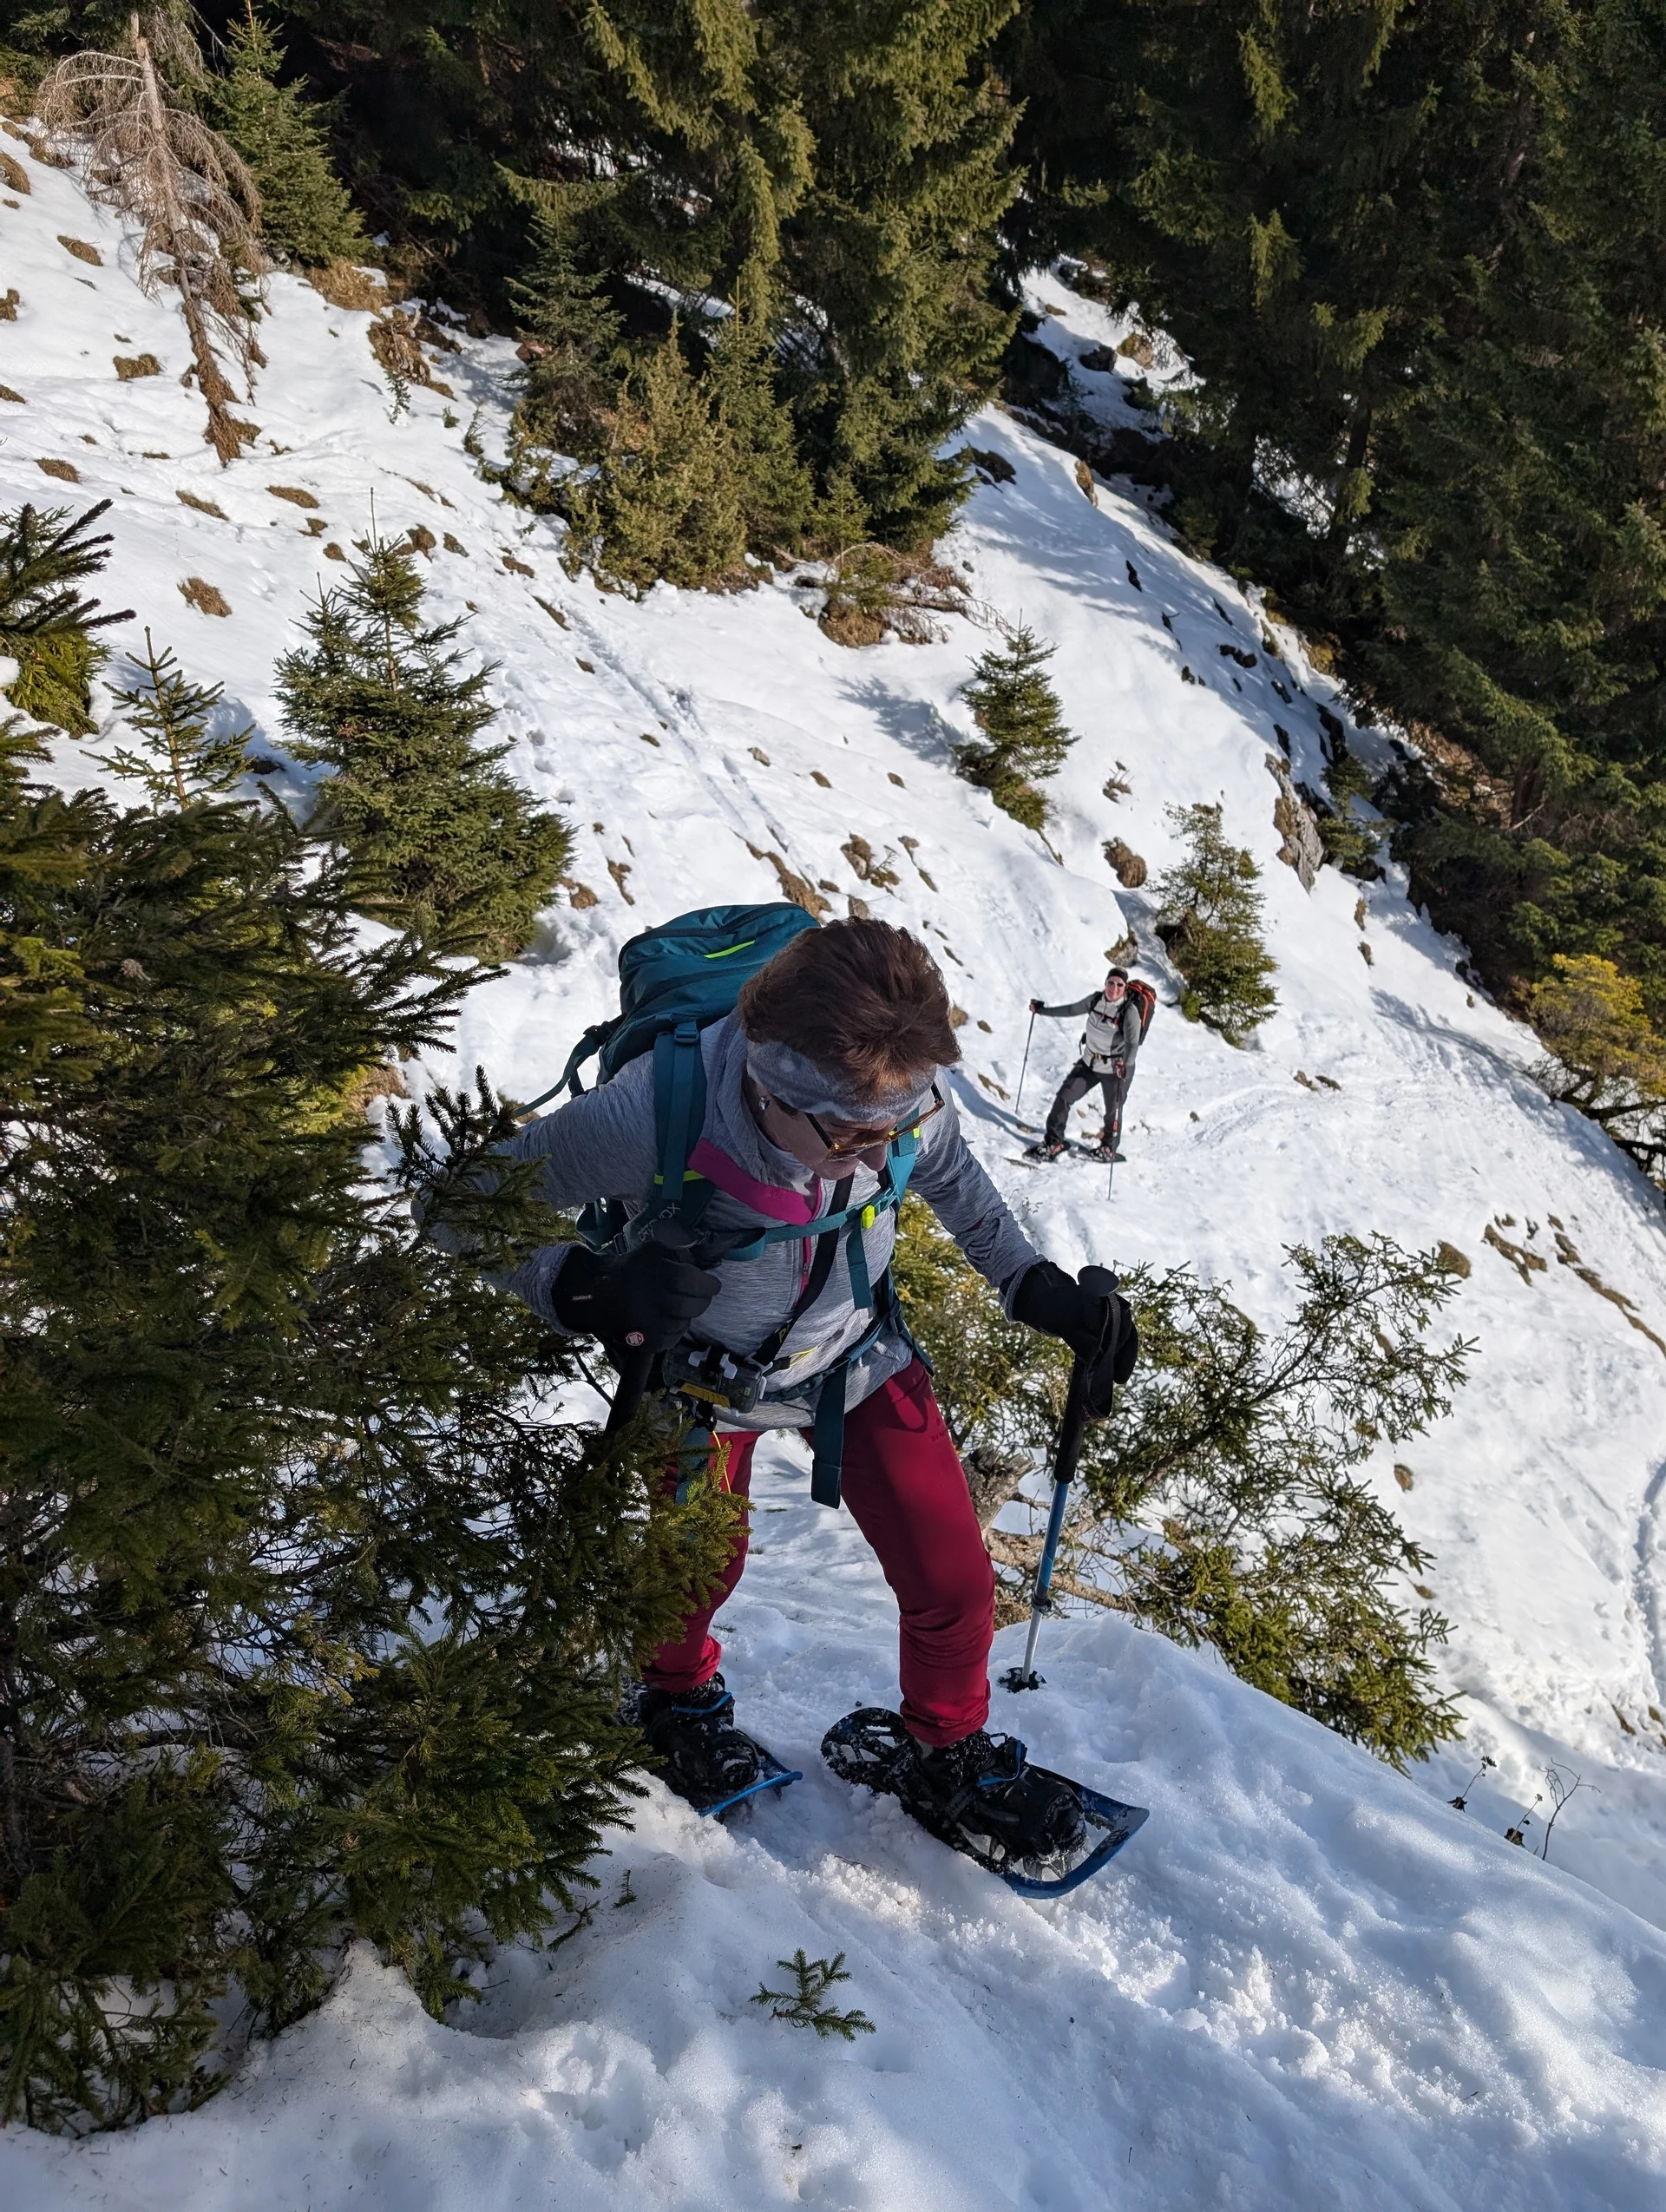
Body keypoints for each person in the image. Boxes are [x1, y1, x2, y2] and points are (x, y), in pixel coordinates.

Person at [493, 918, 1134, 1860]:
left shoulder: (892, 1093)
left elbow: (952, 1174)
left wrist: (1030, 1283)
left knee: (953, 1576)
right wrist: (576, 1283)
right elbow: (458, 1203)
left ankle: (943, 1748)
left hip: (857, 1355)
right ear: (765, 1078)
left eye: (894, 1127)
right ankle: (673, 1698)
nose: (878, 1156)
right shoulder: (656, 1111)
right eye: (849, 1135)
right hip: (701, 1378)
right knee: (700, 1568)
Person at [1024, 967, 1148, 1163]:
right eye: (1110, 983)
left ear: (1125, 988)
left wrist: (1127, 1063)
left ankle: (1109, 1149)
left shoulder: (1129, 1011)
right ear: (1105, 983)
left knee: (1113, 1111)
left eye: (1119, 985)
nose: (1114, 988)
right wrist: (1042, 1011)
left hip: (1116, 1068)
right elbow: (1071, 1010)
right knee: (1064, 1097)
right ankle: (1054, 1142)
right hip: (1090, 1063)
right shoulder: (1095, 1000)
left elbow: (1132, 1043)